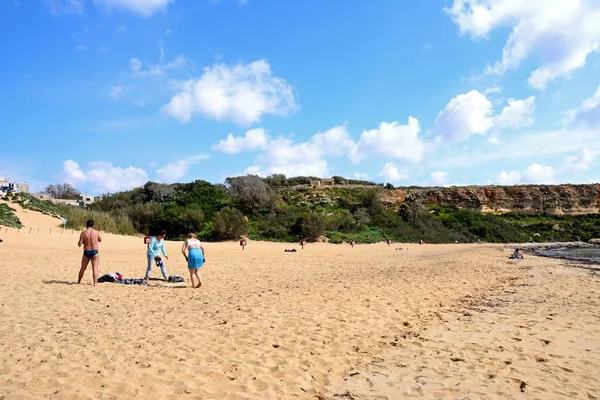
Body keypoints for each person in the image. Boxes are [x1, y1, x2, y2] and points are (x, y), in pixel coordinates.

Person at [77, 219, 102, 286]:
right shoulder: (96, 232)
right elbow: (100, 240)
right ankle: (95, 283)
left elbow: (79, 244)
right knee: (95, 268)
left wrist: (83, 241)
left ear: (86, 225)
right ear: (93, 225)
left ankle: (79, 281)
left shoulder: (83, 233)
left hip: (87, 251)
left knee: (83, 268)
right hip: (94, 251)